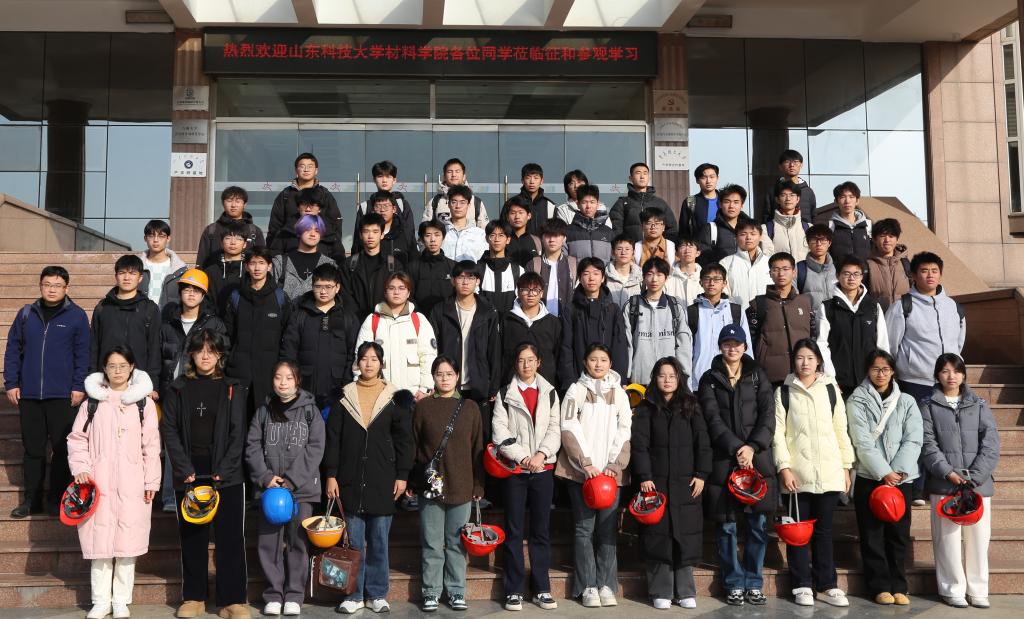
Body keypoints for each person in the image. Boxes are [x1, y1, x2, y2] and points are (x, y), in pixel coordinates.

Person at [159, 329, 250, 619]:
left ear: (220, 355)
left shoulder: (233, 388)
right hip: (190, 472)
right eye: (200, 350)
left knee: (230, 538)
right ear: (191, 354)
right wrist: (183, 467)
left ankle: (232, 600)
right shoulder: (177, 388)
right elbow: (168, 429)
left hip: (227, 473)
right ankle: (194, 597)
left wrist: (225, 468)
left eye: (212, 351)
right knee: (192, 537)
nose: (206, 356)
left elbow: (238, 432)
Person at [67, 346, 160, 619]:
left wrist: (151, 481)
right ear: (104, 370)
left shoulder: (143, 404)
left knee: (127, 545)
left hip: (133, 482)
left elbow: (151, 445)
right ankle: (100, 600)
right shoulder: (92, 403)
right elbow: (77, 439)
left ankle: (121, 600)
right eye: (111, 365)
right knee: (100, 544)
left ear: (132, 367)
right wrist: (81, 468)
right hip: (98, 482)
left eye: (122, 365)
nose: (117, 370)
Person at [324, 342, 413, 614]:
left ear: (381, 364)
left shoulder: (395, 398)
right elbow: (333, 439)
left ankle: (377, 593)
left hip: (383, 479)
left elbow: (404, 441)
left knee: (378, 542)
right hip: (349, 480)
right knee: (353, 544)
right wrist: (331, 474)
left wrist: (403, 475)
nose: (369, 363)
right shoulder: (344, 397)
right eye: (364, 358)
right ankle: (353, 594)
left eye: (374, 359)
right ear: (357, 363)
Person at [772, 339, 855, 608]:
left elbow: (841, 430)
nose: (805, 362)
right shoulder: (784, 392)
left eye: (810, 357)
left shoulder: (830, 389)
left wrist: (846, 467)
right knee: (797, 532)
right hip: (797, 476)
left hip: (829, 471)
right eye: (800, 357)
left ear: (818, 360)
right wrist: (784, 468)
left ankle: (827, 584)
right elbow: (778, 434)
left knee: (824, 532)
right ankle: (801, 584)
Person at [698, 325, 775, 606]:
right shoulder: (709, 379)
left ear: (745, 346)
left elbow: (768, 415)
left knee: (758, 524)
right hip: (724, 460)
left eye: (737, 343)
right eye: (727, 343)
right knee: (727, 526)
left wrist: (752, 447)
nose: (732, 348)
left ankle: (753, 582)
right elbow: (712, 418)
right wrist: (736, 448)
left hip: (757, 459)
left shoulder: (757, 375)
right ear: (720, 346)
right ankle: (733, 582)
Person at [4, 266, 90, 518]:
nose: (52, 290)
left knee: (62, 450)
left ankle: (57, 498)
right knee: (33, 450)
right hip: (30, 394)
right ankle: (31, 500)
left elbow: (83, 354)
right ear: (40, 285)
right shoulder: (26, 314)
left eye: (57, 285)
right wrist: (11, 382)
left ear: (66, 288)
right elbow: (13, 349)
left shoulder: (76, 316)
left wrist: (78, 386)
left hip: (63, 395)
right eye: (47, 285)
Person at [920, 354, 1001, 609]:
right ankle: (952, 588)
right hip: (944, 483)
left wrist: (974, 476)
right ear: (937, 375)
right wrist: (948, 472)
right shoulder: (928, 405)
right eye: (945, 371)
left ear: (964, 374)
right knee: (947, 539)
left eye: (956, 371)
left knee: (979, 539)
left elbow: (991, 443)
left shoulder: (979, 404)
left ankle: (978, 590)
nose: (951, 376)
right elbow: (927, 444)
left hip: (978, 485)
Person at [245, 360, 325, 617]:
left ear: (297, 381)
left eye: (289, 378)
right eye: (278, 377)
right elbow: (252, 446)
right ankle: (273, 594)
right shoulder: (263, 411)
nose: (283, 383)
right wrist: (266, 477)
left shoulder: (311, 411)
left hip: (301, 489)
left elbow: (315, 449)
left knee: (298, 543)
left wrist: (291, 480)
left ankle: (294, 594)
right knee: (269, 543)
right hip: (270, 489)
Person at [631, 357, 711, 610]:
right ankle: (660, 590)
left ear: (679, 379)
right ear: (655, 378)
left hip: (687, 483)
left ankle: (685, 590)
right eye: (662, 375)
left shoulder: (691, 405)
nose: (667, 380)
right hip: (656, 484)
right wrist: (645, 476)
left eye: (672, 376)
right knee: (659, 536)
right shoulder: (646, 408)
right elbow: (640, 445)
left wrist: (702, 474)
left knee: (685, 535)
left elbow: (703, 442)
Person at [555, 344, 632, 608]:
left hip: (610, 474)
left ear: (610, 363)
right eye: (593, 359)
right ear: (585, 362)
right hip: (582, 474)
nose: (598, 364)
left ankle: (607, 585)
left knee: (607, 529)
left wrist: (614, 464)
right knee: (584, 529)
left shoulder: (619, 393)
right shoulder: (576, 390)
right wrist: (585, 463)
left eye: (603, 360)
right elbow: (568, 427)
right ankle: (587, 585)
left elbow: (625, 429)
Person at [845, 350, 922, 606]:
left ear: (893, 372)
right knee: (872, 535)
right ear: (868, 370)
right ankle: (879, 586)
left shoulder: (907, 401)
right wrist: (883, 472)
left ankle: (899, 586)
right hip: (870, 476)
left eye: (886, 369)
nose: (881, 374)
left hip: (901, 478)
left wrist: (897, 472)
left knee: (898, 534)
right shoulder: (856, 400)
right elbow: (861, 441)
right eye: (876, 369)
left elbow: (914, 439)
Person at [409, 357, 484, 612]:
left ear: (457, 376)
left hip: (462, 483)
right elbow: (414, 446)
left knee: (456, 542)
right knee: (431, 541)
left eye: (449, 373)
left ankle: (456, 591)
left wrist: (478, 484)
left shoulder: (470, 408)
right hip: (431, 485)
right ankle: (430, 591)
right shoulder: (423, 407)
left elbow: (477, 448)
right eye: (439, 374)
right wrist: (412, 479)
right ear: (432, 377)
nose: (444, 378)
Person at [491, 343, 562, 611]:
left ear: (539, 362)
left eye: (531, 360)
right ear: (515, 363)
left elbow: (555, 429)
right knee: (514, 530)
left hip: (543, 469)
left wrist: (541, 455)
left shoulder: (550, 392)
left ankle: (542, 588)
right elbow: (500, 432)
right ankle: (514, 590)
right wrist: (523, 458)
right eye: (521, 360)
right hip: (516, 470)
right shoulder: (505, 393)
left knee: (540, 530)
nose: (526, 365)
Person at [157, 269, 226, 512]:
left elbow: (221, 354)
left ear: (204, 295)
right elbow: (157, 357)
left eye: (196, 290)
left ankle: (201, 490)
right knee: (171, 441)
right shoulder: (167, 323)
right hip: (171, 390)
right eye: (187, 289)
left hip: (200, 389)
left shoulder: (214, 323)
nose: (191, 294)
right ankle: (169, 495)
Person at [429, 261, 502, 445]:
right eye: (460, 277)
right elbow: (432, 349)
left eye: (470, 277)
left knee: (479, 438)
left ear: (478, 281)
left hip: (478, 385)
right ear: (453, 281)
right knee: (449, 439)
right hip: (449, 385)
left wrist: (493, 386)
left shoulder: (488, 311)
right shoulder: (440, 310)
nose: (465, 282)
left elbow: (494, 350)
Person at [279, 263, 359, 411]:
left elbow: (353, 353)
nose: (323, 291)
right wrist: (291, 381)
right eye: (318, 286)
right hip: (304, 387)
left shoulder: (348, 317)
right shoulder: (300, 315)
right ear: (312, 286)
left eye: (328, 287)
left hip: (338, 389)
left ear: (337, 287)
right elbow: (289, 351)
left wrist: (347, 383)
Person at [224, 247, 291, 413]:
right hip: (239, 369)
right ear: (246, 266)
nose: (257, 267)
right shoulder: (236, 297)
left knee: (267, 416)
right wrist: (230, 359)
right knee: (238, 419)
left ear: (269, 266)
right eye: (252, 263)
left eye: (261, 263)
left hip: (269, 369)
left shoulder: (280, 297)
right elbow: (227, 334)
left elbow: (288, 335)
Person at [747, 252, 824, 386]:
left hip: (802, 374)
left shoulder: (805, 302)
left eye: (785, 269)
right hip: (770, 375)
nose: (781, 274)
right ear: (770, 273)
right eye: (776, 269)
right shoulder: (758, 304)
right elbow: (751, 340)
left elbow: (813, 336)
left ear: (794, 272)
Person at [355, 272, 437, 397]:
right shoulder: (372, 320)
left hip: (413, 395)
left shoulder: (418, 320)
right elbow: (360, 356)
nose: (396, 292)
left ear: (408, 293)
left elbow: (428, 356)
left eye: (401, 288)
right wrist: (361, 385)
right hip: (380, 394)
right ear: (385, 292)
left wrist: (425, 388)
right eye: (391, 288)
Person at [817, 256, 889, 398]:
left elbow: (882, 344)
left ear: (862, 277)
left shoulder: (873, 307)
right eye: (846, 273)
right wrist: (831, 377)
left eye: (856, 274)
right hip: (839, 382)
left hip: (869, 380)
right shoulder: (827, 307)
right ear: (838, 276)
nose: (851, 278)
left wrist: (882, 375)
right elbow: (822, 344)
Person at [90, 255, 161, 389]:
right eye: (122, 273)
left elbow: (154, 349)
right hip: (106, 381)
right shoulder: (103, 307)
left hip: (138, 383)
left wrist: (153, 384)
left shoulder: (149, 309)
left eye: (132, 273)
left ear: (140, 278)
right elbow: (94, 347)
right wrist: (93, 379)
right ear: (116, 276)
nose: (127, 278)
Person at [559, 258, 630, 389]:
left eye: (596, 273)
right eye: (586, 274)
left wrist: (620, 379)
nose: (591, 278)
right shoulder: (571, 309)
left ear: (603, 278)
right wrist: (569, 380)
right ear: (580, 278)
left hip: (608, 380)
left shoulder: (613, 309)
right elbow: (566, 346)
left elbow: (619, 346)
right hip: (580, 379)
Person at [622, 257, 693, 384]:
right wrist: (625, 377)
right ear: (643, 277)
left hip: (669, 381)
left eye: (659, 274)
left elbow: (683, 344)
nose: (654, 279)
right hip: (639, 378)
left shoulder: (675, 307)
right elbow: (627, 343)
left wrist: (684, 375)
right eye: (650, 274)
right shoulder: (632, 306)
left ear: (666, 278)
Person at [687, 263, 752, 392]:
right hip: (699, 379)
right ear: (700, 282)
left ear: (724, 283)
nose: (711, 283)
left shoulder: (736, 311)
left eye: (717, 279)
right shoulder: (691, 312)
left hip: (732, 380)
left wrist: (748, 378)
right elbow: (686, 350)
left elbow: (746, 346)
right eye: (707, 278)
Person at [267, 153, 342, 252]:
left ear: (316, 170)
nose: (306, 170)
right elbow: (275, 226)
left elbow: (335, 224)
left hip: (320, 249)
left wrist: (334, 246)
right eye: (302, 166)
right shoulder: (285, 195)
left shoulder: (324, 195)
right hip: (290, 249)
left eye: (310, 166)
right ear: (296, 170)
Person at [501, 273, 562, 389]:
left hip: (546, 385)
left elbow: (558, 356)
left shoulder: (553, 322)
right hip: (512, 385)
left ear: (541, 293)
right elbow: (500, 354)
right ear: (518, 292)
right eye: (525, 289)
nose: (530, 294)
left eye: (535, 290)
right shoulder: (507, 320)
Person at [342, 213, 400, 320]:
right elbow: (345, 295)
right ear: (360, 235)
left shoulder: (393, 265)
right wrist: (355, 319)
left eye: (375, 231)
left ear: (382, 235)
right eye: (366, 231)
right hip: (356, 321)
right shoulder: (349, 264)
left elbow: (399, 294)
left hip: (385, 320)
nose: (370, 236)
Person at [352, 160, 417, 254]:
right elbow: (357, 240)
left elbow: (410, 235)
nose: (384, 180)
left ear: (394, 180)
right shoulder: (365, 206)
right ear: (374, 179)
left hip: (398, 256)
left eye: (388, 176)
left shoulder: (402, 205)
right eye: (380, 176)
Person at [196, 186, 266, 269]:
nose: (233, 205)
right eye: (229, 201)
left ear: (244, 204)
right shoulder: (211, 230)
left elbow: (262, 259)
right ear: (223, 203)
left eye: (238, 201)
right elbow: (202, 260)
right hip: (215, 275)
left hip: (246, 275)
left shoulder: (254, 231)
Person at [271, 214, 337, 301]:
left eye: (317, 231)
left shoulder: (330, 264)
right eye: (308, 229)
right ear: (299, 231)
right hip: (285, 309)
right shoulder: (280, 262)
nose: (313, 234)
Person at [269, 188, 346, 263]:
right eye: (304, 204)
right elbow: (275, 258)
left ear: (319, 209)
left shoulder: (330, 233)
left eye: (312, 205)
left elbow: (339, 259)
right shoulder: (285, 232)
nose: (308, 209)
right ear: (298, 207)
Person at [610, 162, 678, 241]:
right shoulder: (622, 203)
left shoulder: (660, 203)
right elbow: (616, 231)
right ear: (631, 178)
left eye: (645, 173)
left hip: (655, 248)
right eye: (638, 173)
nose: (642, 176)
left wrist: (664, 246)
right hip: (632, 248)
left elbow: (671, 229)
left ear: (649, 177)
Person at [527, 218, 577, 318]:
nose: (552, 240)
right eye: (548, 235)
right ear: (541, 238)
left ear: (564, 238)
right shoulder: (533, 264)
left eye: (556, 235)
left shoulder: (574, 264)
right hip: (540, 320)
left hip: (567, 320)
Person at [406, 219, 456, 318]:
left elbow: (457, 295)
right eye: (428, 235)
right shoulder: (412, 267)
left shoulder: (453, 266)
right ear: (422, 239)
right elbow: (408, 295)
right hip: (420, 319)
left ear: (443, 237)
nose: (433, 239)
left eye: (437, 235)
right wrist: (419, 316)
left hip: (447, 318)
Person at [719, 219, 771, 311]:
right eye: (743, 234)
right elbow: (723, 292)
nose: (748, 238)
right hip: (737, 314)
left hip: (767, 314)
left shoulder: (769, 262)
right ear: (736, 237)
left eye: (753, 234)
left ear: (760, 236)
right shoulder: (726, 263)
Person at [423, 157, 489, 228]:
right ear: (444, 177)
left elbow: (485, 231)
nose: (453, 175)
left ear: (464, 176)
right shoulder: (434, 202)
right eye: (449, 172)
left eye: (457, 171)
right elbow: (425, 230)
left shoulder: (476, 202)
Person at [696, 184, 750, 266]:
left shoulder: (750, 229)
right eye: (727, 202)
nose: (731, 206)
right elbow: (702, 259)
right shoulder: (710, 229)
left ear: (741, 205)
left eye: (736, 202)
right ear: (720, 204)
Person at [203, 221, 249, 317]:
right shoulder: (210, 271)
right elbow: (205, 301)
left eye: (238, 239)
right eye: (228, 238)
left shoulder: (250, 270)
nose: (233, 242)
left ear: (245, 244)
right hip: (215, 322)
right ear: (221, 243)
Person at [139, 219, 187, 309]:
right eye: (151, 236)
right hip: (141, 316)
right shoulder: (136, 268)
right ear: (145, 238)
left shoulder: (179, 270)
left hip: (169, 316)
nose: (156, 240)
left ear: (168, 239)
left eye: (161, 236)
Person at [478, 220, 523, 317]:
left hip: (510, 323)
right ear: (487, 239)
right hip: (484, 323)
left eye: (501, 235)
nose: (497, 239)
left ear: (508, 240)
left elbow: (522, 301)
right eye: (492, 235)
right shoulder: (478, 269)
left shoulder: (518, 270)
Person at [866, 218, 911, 310]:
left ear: (897, 239)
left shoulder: (905, 263)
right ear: (874, 239)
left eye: (891, 236)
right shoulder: (867, 264)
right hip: (878, 315)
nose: (887, 240)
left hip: (904, 315)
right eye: (882, 236)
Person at [503, 162, 556, 235]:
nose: (532, 182)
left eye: (536, 178)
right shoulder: (511, 203)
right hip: (516, 242)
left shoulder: (550, 205)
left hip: (541, 242)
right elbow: (503, 228)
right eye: (528, 178)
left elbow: (554, 231)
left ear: (542, 181)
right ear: (522, 181)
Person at [760, 182, 808, 262]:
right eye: (783, 195)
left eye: (792, 195)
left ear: (798, 199)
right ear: (777, 199)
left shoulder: (808, 228)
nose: (788, 198)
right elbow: (767, 257)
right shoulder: (766, 229)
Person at [763, 150, 815, 224]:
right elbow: (766, 216)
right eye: (787, 162)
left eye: (796, 162)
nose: (792, 165)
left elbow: (814, 216)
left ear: (801, 165)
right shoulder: (773, 191)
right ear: (780, 166)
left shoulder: (808, 191)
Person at [565, 184, 614, 263]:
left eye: (592, 202)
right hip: (577, 271)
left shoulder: (608, 232)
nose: (588, 206)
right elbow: (564, 259)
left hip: (602, 271)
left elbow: (613, 259)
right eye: (584, 202)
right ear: (578, 204)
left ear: (598, 204)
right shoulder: (568, 231)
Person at [440, 185, 488, 262]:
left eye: (462, 202)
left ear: (468, 205)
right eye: (454, 202)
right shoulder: (440, 232)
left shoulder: (480, 234)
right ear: (448, 204)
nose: (458, 206)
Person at [828, 181, 872, 263]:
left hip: (864, 271)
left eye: (851, 197)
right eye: (842, 197)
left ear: (857, 200)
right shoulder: (830, 226)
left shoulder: (868, 225)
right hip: (839, 271)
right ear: (836, 201)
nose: (847, 201)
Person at [366, 190, 415, 263]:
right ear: (373, 210)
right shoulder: (367, 234)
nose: (382, 210)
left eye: (386, 206)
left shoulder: (405, 232)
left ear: (394, 209)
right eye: (378, 206)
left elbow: (414, 261)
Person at [797, 224, 838, 310]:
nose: (819, 244)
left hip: (836, 317)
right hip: (811, 317)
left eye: (823, 240)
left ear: (829, 243)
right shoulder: (799, 269)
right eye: (814, 240)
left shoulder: (838, 268)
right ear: (808, 243)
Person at [679, 163, 721, 240]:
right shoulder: (690, 202)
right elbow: (683, 231)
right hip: (699, 245)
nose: (708, 181)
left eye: (712, 177)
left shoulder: (725, 200)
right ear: (697, 180)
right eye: (703, 177)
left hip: (725, 245)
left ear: (717, 178)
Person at [604, 235, 643, 308]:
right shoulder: (604, 276)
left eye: (627, 249)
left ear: (633, 252)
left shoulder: (641, 277)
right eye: (619, 249)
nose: (623, 252)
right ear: (613, 252)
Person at [664, 236, 703, 307]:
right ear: (676, 253)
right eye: (683, 246)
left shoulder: (705, 278)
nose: (687, 250)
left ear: (698, 253)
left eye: (691, 246)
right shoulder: (667, 280)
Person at [504, 196, 543, 266]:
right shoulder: (502, 240)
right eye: (513, 213)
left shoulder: (537, 241)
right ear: (507, 217)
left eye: (521, 212)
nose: (517, 217)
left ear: (529, 216)